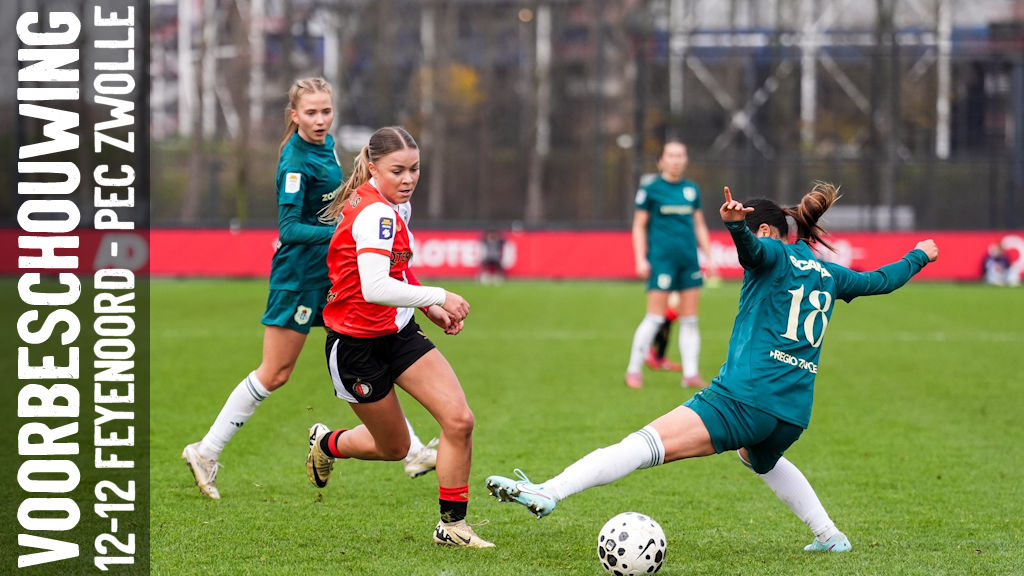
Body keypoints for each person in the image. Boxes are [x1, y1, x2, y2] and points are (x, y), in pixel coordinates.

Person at [486, 182, 938, 553]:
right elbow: (881, 280)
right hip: (792, 413)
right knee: (759, 458)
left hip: (744, 398)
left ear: (765, 229)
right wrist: (920, 254)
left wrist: (733, 226)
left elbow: (753, 253)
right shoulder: (829, 272)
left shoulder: (773, 254)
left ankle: (550, 491)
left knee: (641, 445)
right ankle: (830, 536)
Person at [182, 79, 437, 500]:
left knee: (372, 342)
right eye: (312, 113)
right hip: (299, 278)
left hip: (330, 273)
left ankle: (410, 450)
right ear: (294, 115)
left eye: (327, 111)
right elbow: (289, 229)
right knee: (276, 373)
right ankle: (206, 451)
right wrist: (345, 230)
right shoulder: (296, 161)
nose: (321, 120)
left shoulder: (325, 145)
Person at [304, 126, 493, 548]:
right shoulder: (376, 214)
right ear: (373, 167)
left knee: (459, 420)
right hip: (355, 346)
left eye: (415, 169)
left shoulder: (394, 206)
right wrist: (441, 293)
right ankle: (328, 442)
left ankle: (452, 525)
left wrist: (428, 308)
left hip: (399, 331)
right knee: (395, 447)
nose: (408, 179)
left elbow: (397, 271)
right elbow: (374, 287)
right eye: (397, 171)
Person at [625, 140, 713, 389]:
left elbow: (698, 224)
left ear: (685, 159)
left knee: (690, 319)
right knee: (654, 317)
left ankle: (691, 374)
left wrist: (709, 255)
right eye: (671, 155)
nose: (676, 160)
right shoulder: (650, 190)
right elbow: (639, 226)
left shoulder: (691, 190)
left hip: (688, 262)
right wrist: (640, 258)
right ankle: (633, 370)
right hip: (662, 263)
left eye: (680, 155)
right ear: (661, 160)